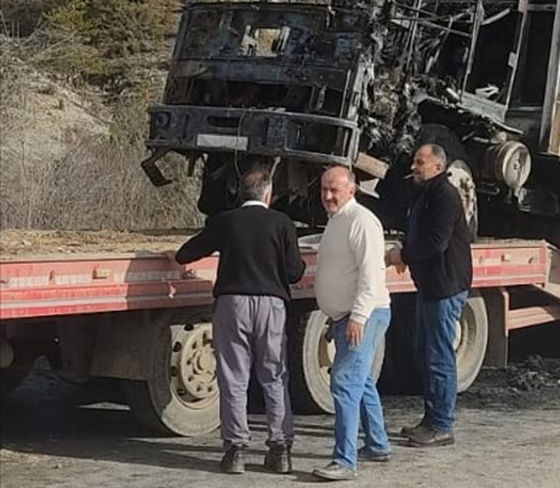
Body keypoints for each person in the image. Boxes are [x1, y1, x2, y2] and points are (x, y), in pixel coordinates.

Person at [174, 167, 305, 475]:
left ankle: (235, 451)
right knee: (274, 375)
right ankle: (280, 449)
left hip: (232, 304)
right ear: (269, 194)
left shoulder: (225, 222)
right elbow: (295, 272)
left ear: (240, 194)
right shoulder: (282, 223)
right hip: (271, 305)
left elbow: (186, 253)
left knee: (234, 378)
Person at [387, 143, 473, 448]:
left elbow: (435, 243)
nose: (413, 167)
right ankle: (431, 418)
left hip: (444, 287)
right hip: (431, 286)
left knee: (438, 356)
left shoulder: (445, 196)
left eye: (420, 162)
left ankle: (441, 425)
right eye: (414, 161)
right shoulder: (426, 194)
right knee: (426, 352)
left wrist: (403, 255)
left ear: (438, 166)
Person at [311, 166, 393, 482]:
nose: (328, 196)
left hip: (365, 315)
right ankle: (377, 443)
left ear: (352, 189)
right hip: (346, 316)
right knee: (361, 381)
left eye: (334, 190)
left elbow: (372, 274)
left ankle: (345, 461)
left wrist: (358, 316)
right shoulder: (337, 221)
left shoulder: (362, 222)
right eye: (324, 190)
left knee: (344, 383)